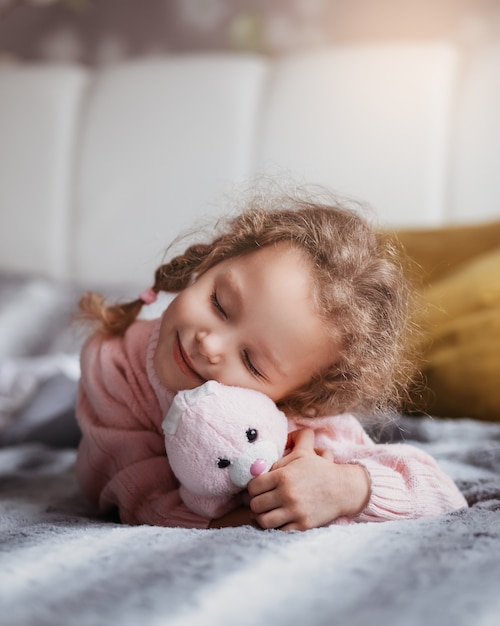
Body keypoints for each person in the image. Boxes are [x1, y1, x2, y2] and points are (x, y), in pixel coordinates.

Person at [75, 187, 467, 530]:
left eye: (251, 362)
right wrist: (254, 517)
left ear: (300, 398)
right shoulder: (113, 362)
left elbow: (445, 497)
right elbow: (131, 492)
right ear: (213, 261)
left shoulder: (299, 425)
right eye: (219, 303)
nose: (209, 344)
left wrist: (345, 488)